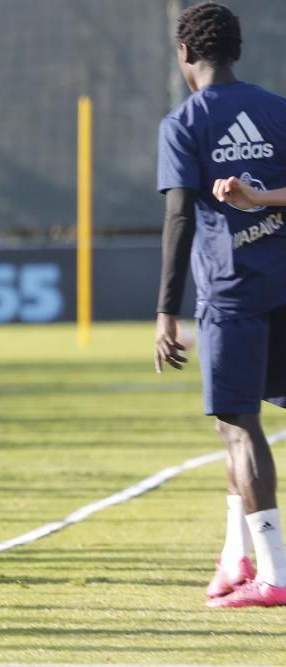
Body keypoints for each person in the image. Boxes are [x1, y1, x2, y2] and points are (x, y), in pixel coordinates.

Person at [154, 1, 286, 608]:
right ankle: (236, 554)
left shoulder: (184, 122)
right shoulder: (276, 109)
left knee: (238, 425)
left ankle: (275, 575)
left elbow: (180, 215)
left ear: (184, 53)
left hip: (232, 294)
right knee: (239, 426)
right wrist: (260, 198)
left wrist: (165, 310)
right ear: (235, 51)